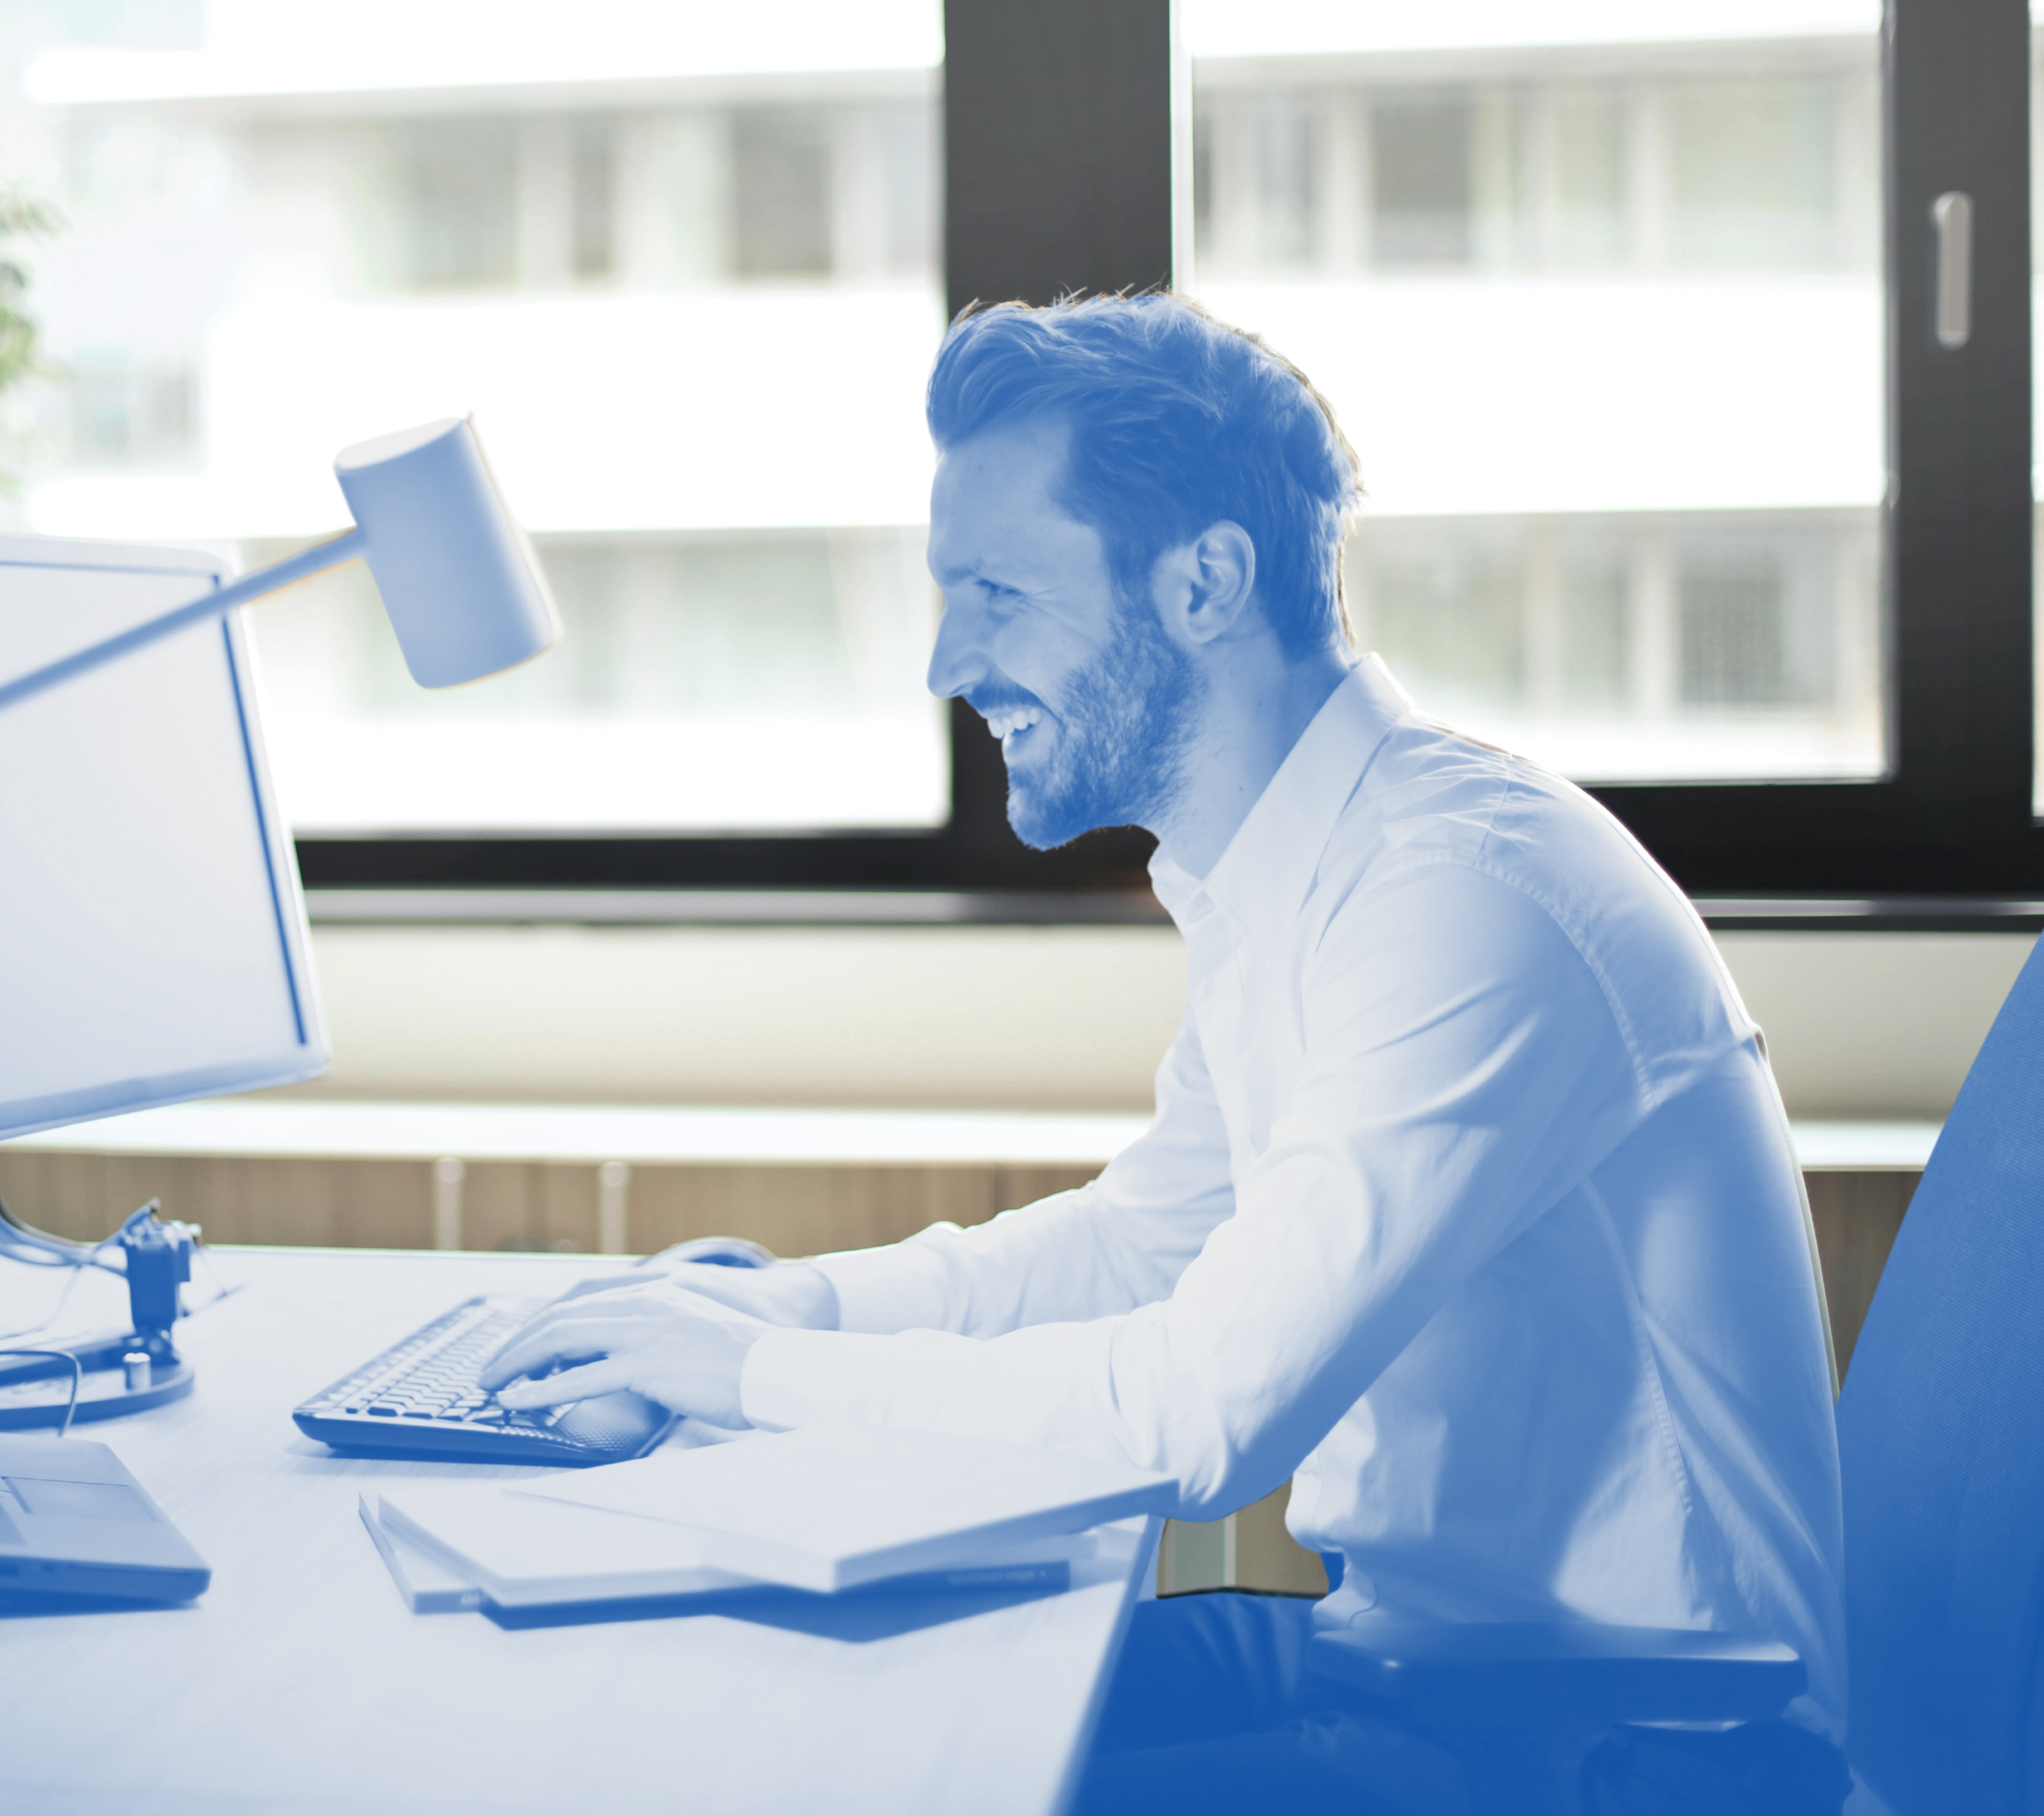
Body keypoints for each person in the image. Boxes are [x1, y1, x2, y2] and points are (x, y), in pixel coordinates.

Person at [480, 294, 1849, 1815]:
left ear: (1204, 583)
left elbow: (1196, 1416)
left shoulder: (1463, 900)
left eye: (996, 590)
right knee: (778, 1690)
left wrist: (752, 1374)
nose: (948, 660)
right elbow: (1144, 1249)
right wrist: (790, 1307)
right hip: (1419, 1677)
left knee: (839, 1762)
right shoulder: (1288, 875)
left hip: (1615, 1752)